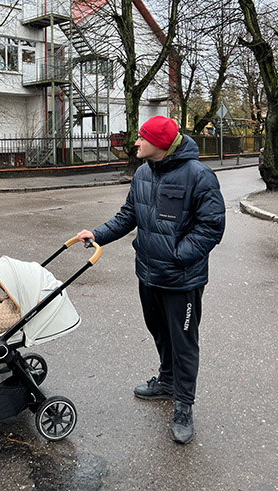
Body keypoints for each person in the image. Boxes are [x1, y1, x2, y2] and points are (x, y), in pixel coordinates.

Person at [77, 115, 225, 444]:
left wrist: (177, 255)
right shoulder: (143, 173)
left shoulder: (199, 176)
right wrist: (98, 234)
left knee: (183, 343)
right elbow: (130, 214)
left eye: (141, 139)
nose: (136, 143)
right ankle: (167, 381)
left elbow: (211, 226)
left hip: (181, 280)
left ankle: (184, 405)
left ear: (158, 145)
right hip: (148, 274)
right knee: (158, 331)